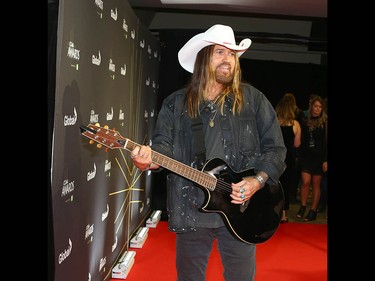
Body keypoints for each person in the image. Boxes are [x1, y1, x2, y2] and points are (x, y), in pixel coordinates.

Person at [130, 24, 286, 281]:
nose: (228, 60)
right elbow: (161, 148)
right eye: (220, 52)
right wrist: (147, 160)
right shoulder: (175, 104)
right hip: (191, 210)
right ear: (203, 58)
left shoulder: (254, 100)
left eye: (232, 54)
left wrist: (257, 181)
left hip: (242, 211)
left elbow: (276, 149)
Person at [296, 95, 327, 221]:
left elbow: (326, 142)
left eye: (320, 107)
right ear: (311, 107)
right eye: (316, 106)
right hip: (306, 157)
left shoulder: (325, 122)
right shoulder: (304, 120)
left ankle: (313, 210)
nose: (317, 109)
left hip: (319, 158)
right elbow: (301, 140)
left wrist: (326, 159)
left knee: (316, 185)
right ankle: (303, 206)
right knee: (305, 182)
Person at [275, 93, 301, 223]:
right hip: (288, 158)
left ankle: (272, 212)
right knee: (285, 186)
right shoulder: (295, 124)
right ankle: (283, 214)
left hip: (275, 157)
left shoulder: (274, 122)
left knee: (273, 185)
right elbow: (297, 144)